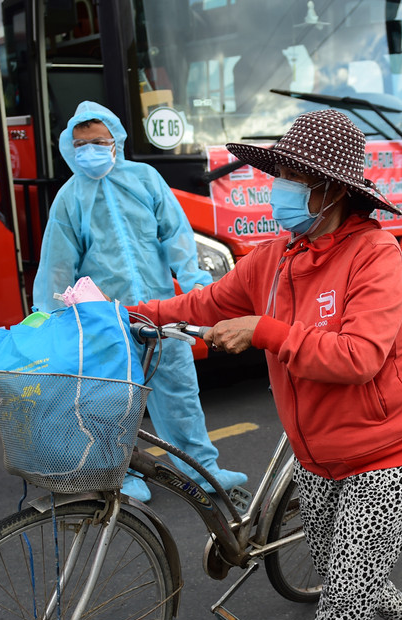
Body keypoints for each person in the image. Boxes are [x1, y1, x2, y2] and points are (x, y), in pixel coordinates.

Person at [128, 110, 402, 620]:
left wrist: (266, 331)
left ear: (333, 191)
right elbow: (210, 301)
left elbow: (359, 356)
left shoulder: (375, 256)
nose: (280, 188)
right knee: (340, 571)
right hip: (317, 451)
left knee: (340, 599)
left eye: (295, 177)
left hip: (389, 450)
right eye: (280, 174)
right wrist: (137, 313)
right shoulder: (277, 257)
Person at [32, 100, 246, 503]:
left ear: (116, 141)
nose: (90, 151)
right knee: (112, 400)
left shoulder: (145, 179)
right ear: (69, 148)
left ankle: (202, 470)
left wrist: (198, 289)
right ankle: (122, 474)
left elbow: (177, 237)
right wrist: (48, 316)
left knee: (180, 394)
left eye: (99, 142)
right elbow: (57, 265)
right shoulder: (69, 198)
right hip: (108, 318)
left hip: (162, 312)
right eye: (81, 144)